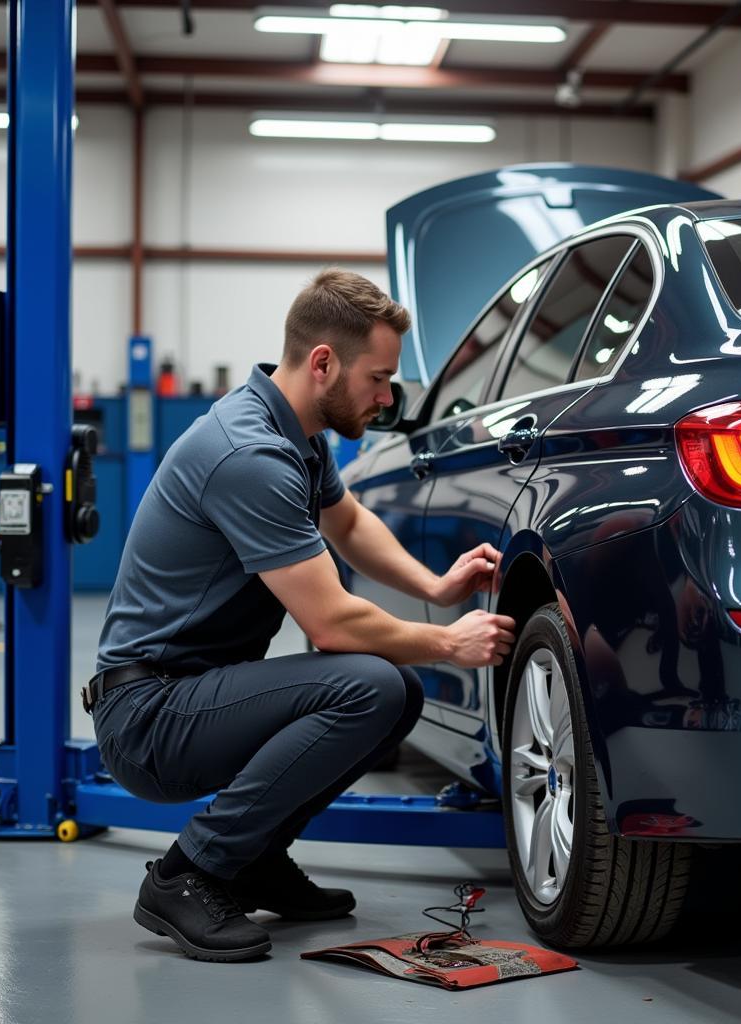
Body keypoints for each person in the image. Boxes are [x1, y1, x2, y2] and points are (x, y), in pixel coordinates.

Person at [89, 269, 515, 963]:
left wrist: (437, 588)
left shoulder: (297, 430)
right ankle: (187, 873)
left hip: (188, 692)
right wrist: (448, 640)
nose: (386, 398)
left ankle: (253, 856)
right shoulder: (249, 454)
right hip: (149, 716)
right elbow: (331, 626)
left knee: (394, 689)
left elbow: (346, 521)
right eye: (378, 379)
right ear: (324, 363)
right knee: (371, 683)